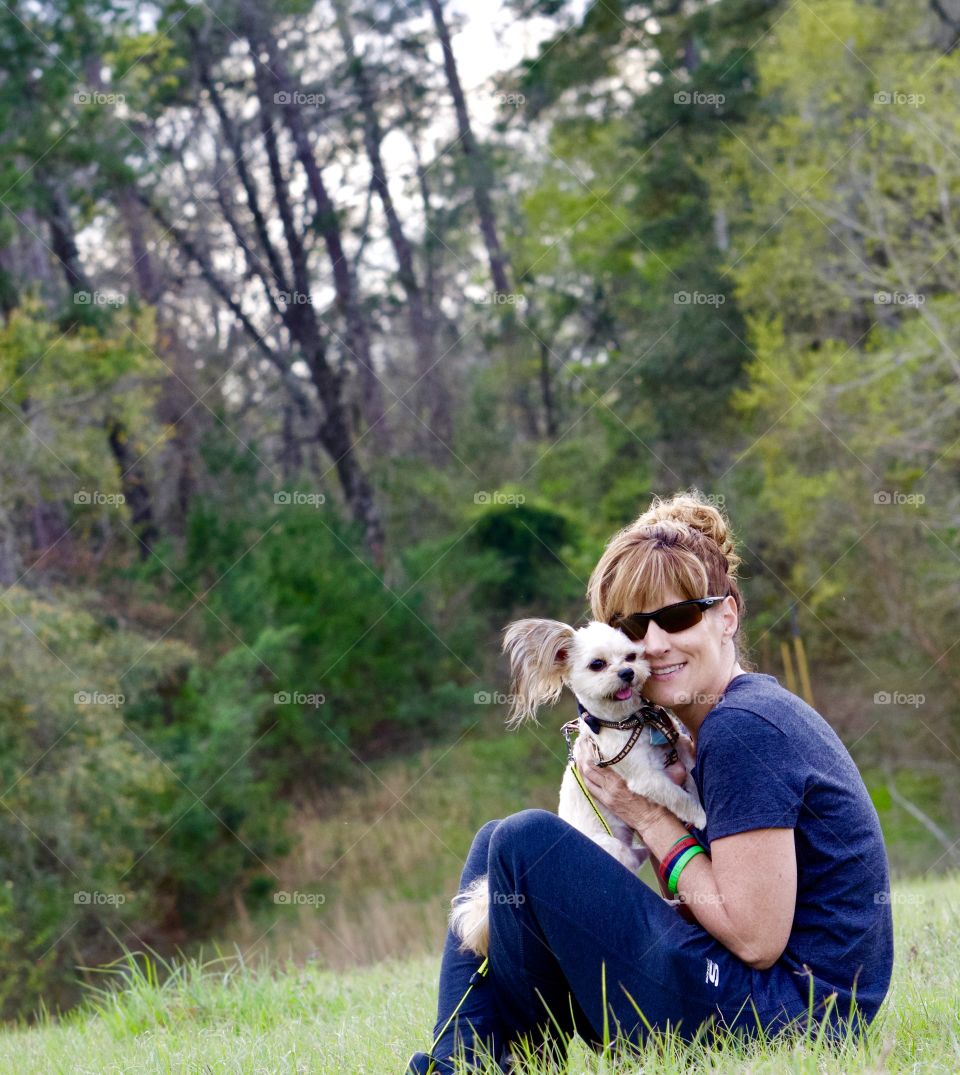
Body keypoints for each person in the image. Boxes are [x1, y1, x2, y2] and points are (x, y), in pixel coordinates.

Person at [405, 492, 893, 1074]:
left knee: (522, 840)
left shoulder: (744, 728)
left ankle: (476, 1062)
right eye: (636, 626)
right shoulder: (714, 725)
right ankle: (469, 1061)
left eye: (679, 616)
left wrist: (648, 816)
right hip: (765, 994)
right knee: (496, 844)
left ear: (727, 616)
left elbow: (757, 937)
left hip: (795, 1017)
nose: (655, 645)